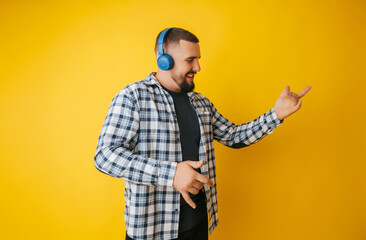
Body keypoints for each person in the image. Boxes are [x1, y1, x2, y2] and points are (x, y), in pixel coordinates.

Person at [94, 27, 311, 240]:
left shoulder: (201, 103)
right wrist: (171, 175)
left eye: (198, 59)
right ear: (164, 60)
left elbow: (234, 136)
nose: (198, 67)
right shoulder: (133, 97)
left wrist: (276, 114)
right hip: (154, 228)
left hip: (198, 223)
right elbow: (105, 156)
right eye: (190, 60)